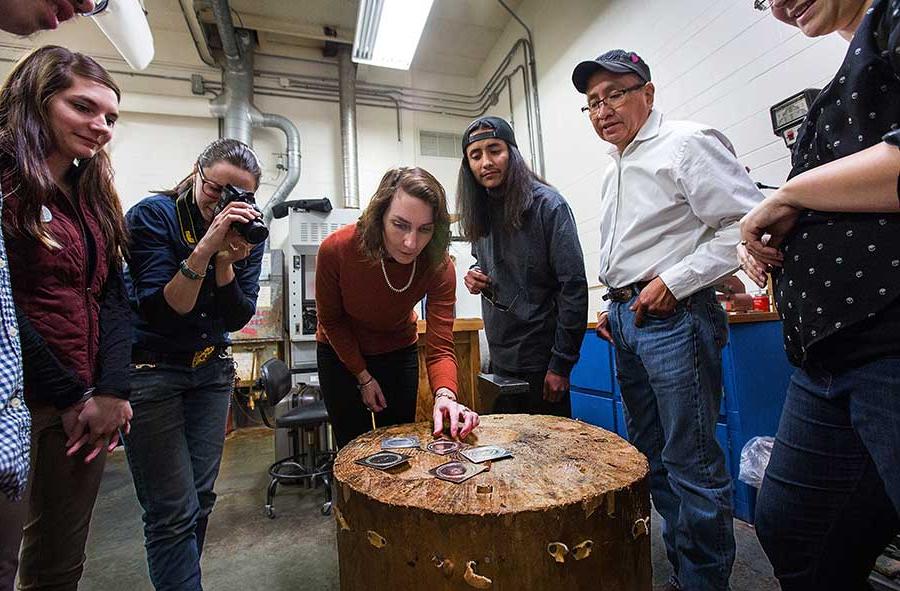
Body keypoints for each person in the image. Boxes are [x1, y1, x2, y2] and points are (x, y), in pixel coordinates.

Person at [571, 49, 764, 591]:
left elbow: (744, 226)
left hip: (675, 316)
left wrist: (672, 282)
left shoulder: (685, 142)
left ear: (648, 94)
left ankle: (704, 582)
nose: (603, 109)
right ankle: (684, 572)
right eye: (592, 103)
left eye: (615, 94)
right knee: (653, 459)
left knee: (692, 462)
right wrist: (614, 302)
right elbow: (632, 249)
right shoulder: (614, 168)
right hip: (629, 318)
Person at [739, 1, 900, 588]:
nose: (780, 4)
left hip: (888, 334)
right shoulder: (848, 75)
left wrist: (790, 195)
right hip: (825, 357)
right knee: (794, 527)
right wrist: (775, 233)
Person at [0, 45, 133, 589]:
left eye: (109, 117)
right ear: (37, 101)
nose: (100, 126)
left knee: (59, 561)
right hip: (21, 402)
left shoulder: (91, 197)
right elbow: (4, 308)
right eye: (83, 108)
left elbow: (113, 298)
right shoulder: (9, 188)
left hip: (84, 408)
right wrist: (74, 393)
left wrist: (112, 389)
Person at [124, 138, 265, 591]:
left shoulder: (247, 230)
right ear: (196, 174)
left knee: (200, 500)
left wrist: (227, 262)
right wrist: (206, 247)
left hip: (210, 373)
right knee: (171, 511)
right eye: (216, 189)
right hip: (151, 374)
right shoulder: (154, 216)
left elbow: (237, 317)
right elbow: (165, 309)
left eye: (240, 195)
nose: (224, 203)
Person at [316, 166, 479, 448]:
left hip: (397, 350)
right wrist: (363, 377)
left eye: (424, 229)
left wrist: (445, 396)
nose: (410, 243)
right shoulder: (337, 250)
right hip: (339, 354)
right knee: (352, 448)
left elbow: (440, 347)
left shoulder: (439, 265)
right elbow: (331, 321)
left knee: (399, 445)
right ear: (379, 217)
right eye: (400, 225)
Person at [458, 116, 588, 417]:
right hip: (501, 357)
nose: (486, 162)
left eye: (494, 150)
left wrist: (561, 365)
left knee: (547, 455)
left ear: (512, 153)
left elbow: (574, 287)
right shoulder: (483, 212)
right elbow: (487, 263)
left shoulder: (549, 206)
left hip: (542, 364)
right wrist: (477, 277)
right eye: (475, 155)